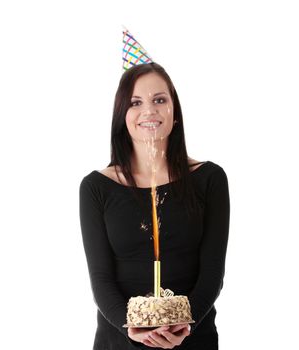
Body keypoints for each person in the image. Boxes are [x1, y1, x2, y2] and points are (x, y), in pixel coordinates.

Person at [79, 62, 230, 349]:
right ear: (123, 115)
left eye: (159, 99)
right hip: (120, 340)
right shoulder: (96, 187)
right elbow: (100, 278)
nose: (149, 110)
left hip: (193, 338)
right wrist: (130, 327)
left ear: (175, 113)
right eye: (136, 102)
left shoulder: (209, 178)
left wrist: (187, 323)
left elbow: (212, 272)